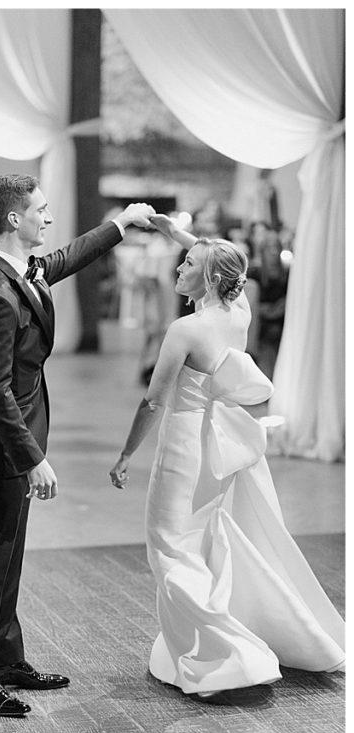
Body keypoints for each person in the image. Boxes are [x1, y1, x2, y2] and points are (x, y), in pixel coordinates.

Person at [109, 217, 344, 701]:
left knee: (170, 548)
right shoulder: (239, 311)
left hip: (185, 448)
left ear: (210, 278)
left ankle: (231, 654)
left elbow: (152, 401)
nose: (179, 264)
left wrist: (126, 454)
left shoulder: (185, 330)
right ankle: (205, 640)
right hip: (221, 449)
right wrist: (178, 234)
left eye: (187, 263)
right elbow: (222, 261)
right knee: (202, 542)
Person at [0, 173, 154, 717]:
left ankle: (7, 660)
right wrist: (33, 457)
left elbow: (62, 258)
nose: (48, 217)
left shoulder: (21, 269)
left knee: (9, 555)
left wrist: (120, 225)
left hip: (14, 437)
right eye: (40, 209)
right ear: (13, 219)